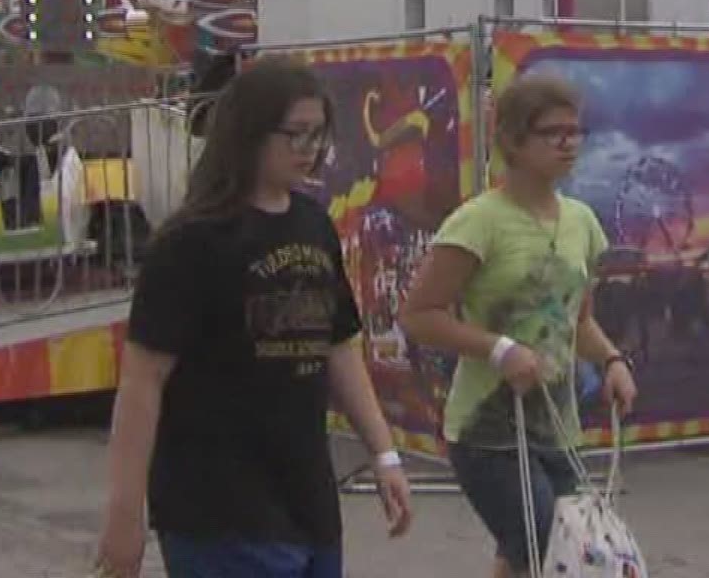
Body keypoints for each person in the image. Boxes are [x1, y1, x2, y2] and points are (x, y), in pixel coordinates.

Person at [93, 56, 410, 578]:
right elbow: (142, 382)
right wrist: (125, 515)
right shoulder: (190, 242)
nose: (310, 150)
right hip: (217, 512)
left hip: (308, 503)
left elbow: (339, 346)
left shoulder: (314, 225)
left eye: (319, 136)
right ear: (248, 134)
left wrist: (385, 455)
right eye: (296, 135)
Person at [400, 72, 637, 578]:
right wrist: (499, 349)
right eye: (553, 132)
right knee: (548, 550)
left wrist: (612, 361)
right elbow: (420, 316)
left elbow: (580, 320)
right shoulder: (478, 221)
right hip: (488, 433)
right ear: (512, 140)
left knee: (529, 552)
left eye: (575, 131)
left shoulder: (582, 222)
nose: (568, 143)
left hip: (558, 428)